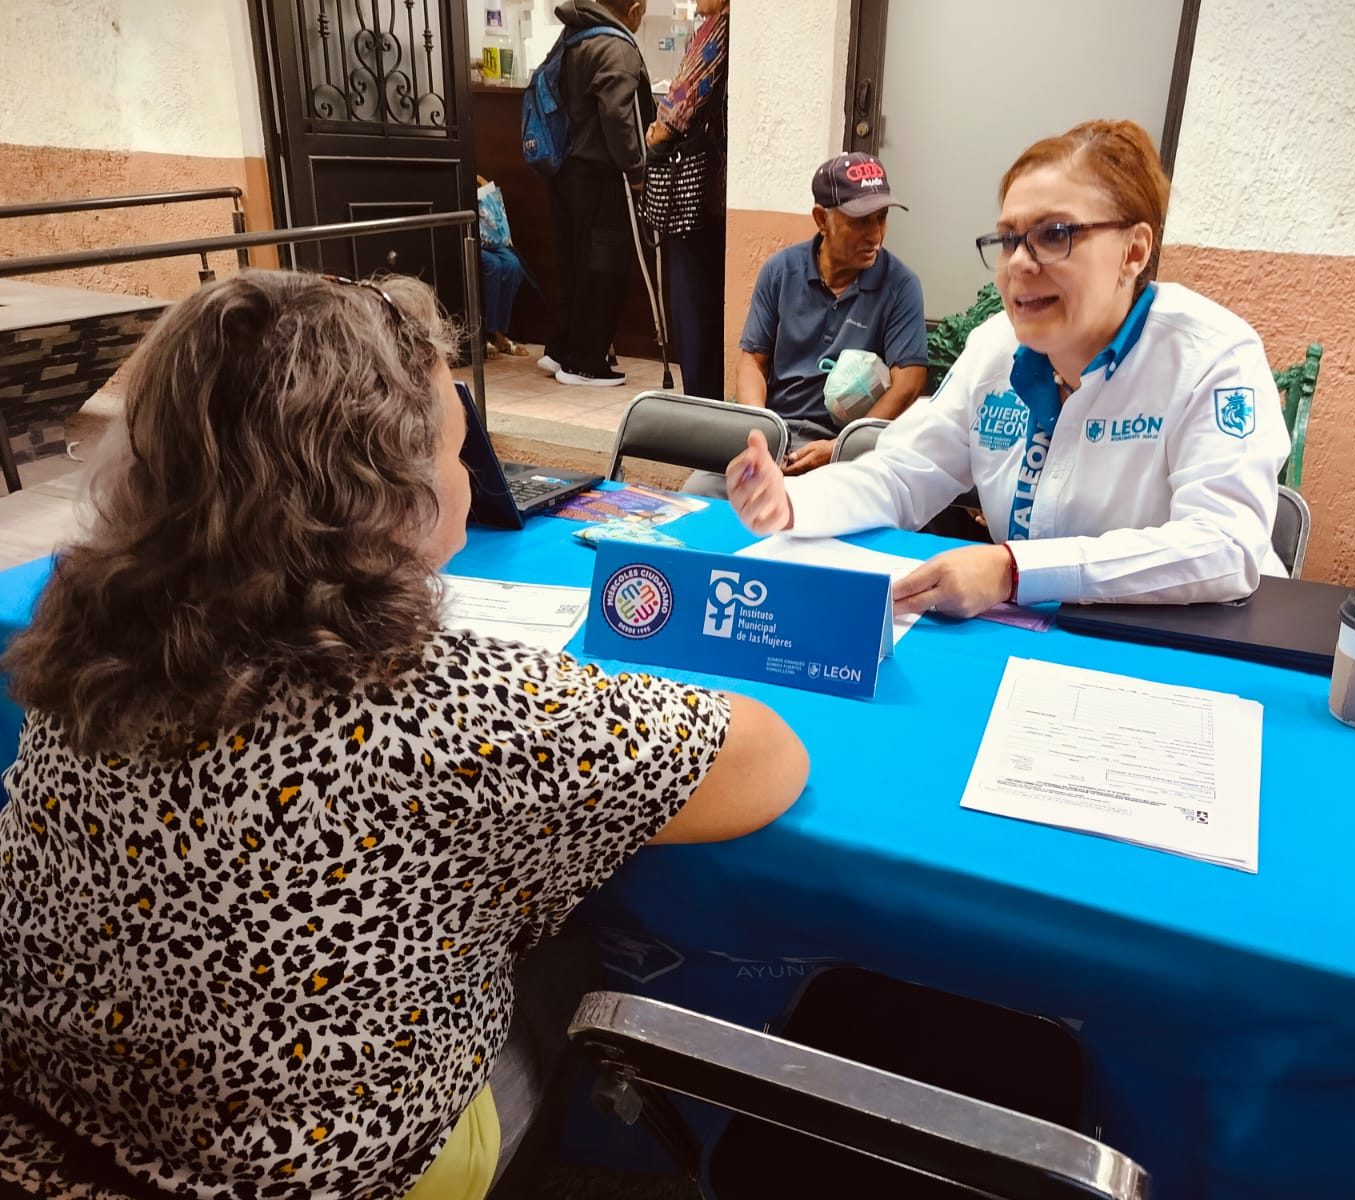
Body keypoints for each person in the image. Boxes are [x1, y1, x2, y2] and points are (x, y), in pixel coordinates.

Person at [0, 269, 808, 1199]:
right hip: (324, 1176)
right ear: (387, 491)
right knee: (570, 963)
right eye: (460, 453)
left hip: (51, 1132)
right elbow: (766, 759)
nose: (473, 479)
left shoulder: (83, 633)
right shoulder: (437, 707)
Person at [724, 120, 1290, 614]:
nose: (1019, 263)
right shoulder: (995, 347)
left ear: (1134, 252)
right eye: (1008, 238)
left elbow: (1224, 547)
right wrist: (793, 502)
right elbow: (901, 476)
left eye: (1054, 235)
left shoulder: (1213, 357)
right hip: (1037, 634)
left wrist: (1013, 571)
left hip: (1193, 649)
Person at [684, 151, 928, 497]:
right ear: (821, 219)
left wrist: (842, 447)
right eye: (860, 222)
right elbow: (752, 359)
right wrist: (760, 431)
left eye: (882, 218)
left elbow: (910, 382)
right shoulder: (781, 271)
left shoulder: (900, 284)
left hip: (851, 452)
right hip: (777, 436)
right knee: (700, 491)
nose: (875, 235)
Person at [538, 0, 652, 387]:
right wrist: (636, 171)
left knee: (574, 263)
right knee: (605, 266)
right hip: (603, 174)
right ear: (634, 8)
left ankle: (560, 350)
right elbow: (618, 118)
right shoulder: (617, 47)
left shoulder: (573, 35)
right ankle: (585, 361)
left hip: (565, 167)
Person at [643, 0, 729, 401]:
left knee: (693, 301)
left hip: (696, 189)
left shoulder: (716, 28)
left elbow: (679, 105)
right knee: (710, 300)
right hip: (720, 191)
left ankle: (699, 400)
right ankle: (709, 395)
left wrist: (657, 132)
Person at [477, 174, 534, 359]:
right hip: (468, 238)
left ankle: (500, 330)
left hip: (491, 240)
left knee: (512, 264)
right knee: (493, 265)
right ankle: (488, 332)